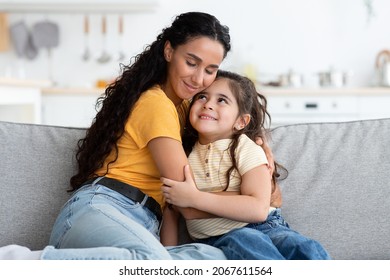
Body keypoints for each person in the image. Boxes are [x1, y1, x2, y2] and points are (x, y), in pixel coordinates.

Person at [45, 11, 232, 260]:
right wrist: (254, 205)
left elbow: (235, 130)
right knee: (152, 261)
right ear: (169, 52)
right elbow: (187, 202)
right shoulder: (156, 103)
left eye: (210, 70)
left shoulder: (188, 108)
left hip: (140, 224)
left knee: (216, 258)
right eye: (191, 62)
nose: (199, 79)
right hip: (102, 208)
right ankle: (24, 264)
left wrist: (259, 146)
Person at [160, 70, 331, 260]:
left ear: (241, 121)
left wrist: (194, 198)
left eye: (222, 100)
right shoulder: (183, 156)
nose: (208, 104)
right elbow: (171, 211)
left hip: (268, 227)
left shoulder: (246, 148)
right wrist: (166, 259)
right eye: (201, 97)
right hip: (218, 238)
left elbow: (257, 209)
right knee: (247, 239)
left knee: (304, 246)